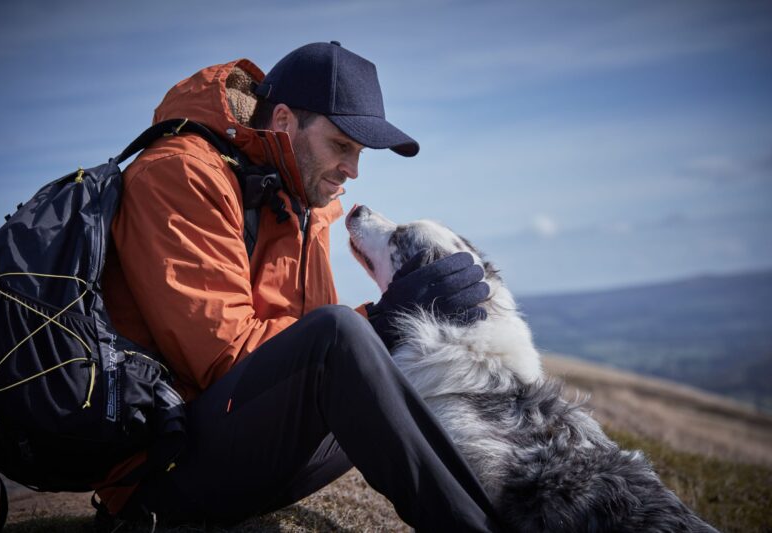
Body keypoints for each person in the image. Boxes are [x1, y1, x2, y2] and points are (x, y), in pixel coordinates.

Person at [96, 41, 499, 532]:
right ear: (284, 121)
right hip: (163, 472)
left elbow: (304, 360)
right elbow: (226, 357)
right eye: (342, 146)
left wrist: (398, 330)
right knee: (343, 335)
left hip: (244, 453)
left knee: (381, 364)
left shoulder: (298, 197)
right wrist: (385, 321)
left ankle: (521, 504)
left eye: (359, 153)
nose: (353, 170)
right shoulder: (180, 174)